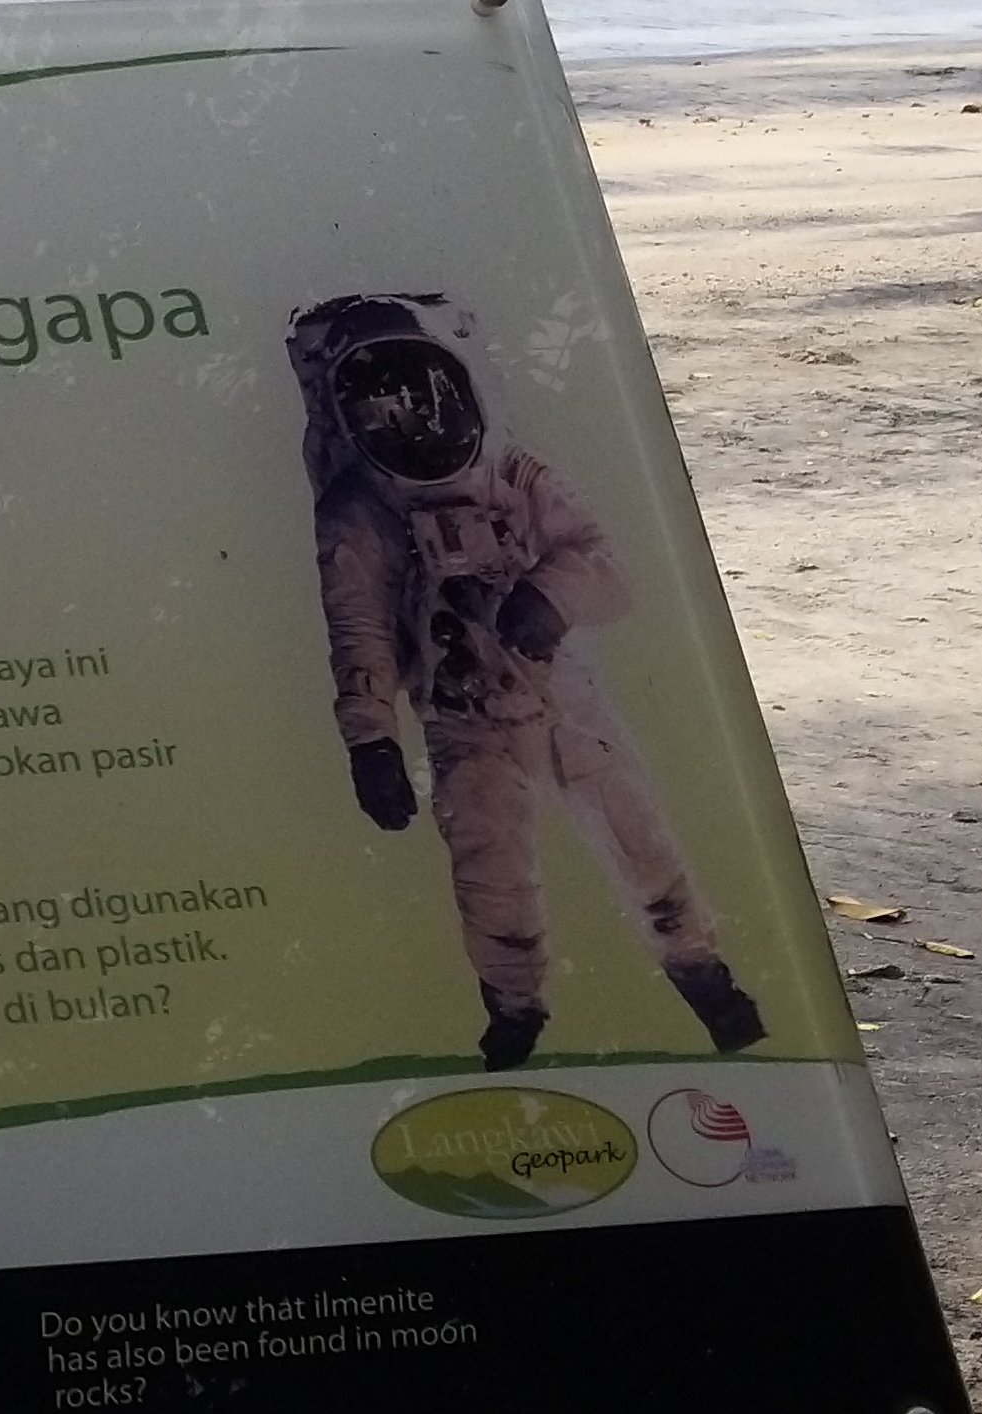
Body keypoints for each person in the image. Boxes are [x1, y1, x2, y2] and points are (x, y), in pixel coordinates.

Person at [289, 293, 763, 1070]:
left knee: (641, 845)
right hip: (460, 718)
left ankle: (706, 981)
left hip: (561, 699)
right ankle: (513, 1011)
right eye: (382, 409)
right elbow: (360, 628)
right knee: (493, 880)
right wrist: (371, 740)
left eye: (425, 395)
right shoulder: (360, 514)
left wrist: (549, 598)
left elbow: (607, 566)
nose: (412, 422)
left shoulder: (514, 474)